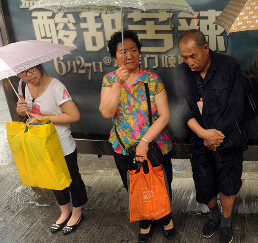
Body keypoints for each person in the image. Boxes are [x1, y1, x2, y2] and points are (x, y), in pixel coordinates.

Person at [99, 30, 175, 243]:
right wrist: (117, 84)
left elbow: (165, 115)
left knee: (162, 183)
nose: (129, 55)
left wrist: (144, 142)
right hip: (123, 147)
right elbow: (106, 112)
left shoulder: (152, 79)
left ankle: (166, 218)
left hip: (155, 145)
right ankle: (145, 222)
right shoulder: (109, 80)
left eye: (133, 50)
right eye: (123, 51)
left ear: (139, 53)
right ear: (115, 57)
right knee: (134, 186)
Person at [176, 29, 247, 243]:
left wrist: (216, 136)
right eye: (184, 57)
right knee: (204, 182)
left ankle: (226, 220)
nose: (189, 62)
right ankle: (213, 214)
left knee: (228, 182)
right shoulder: (182, 73)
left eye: (193, 56)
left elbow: (237, 106)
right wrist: (204, 134)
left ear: (205, 48)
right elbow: (183, 108)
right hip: (199, 140)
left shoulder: (229, 66)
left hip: (229, 139)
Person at [15, 64, 87, 235]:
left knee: (71, 177)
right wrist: (20, 109)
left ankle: (77, 211)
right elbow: (27, 113)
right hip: (41, 142)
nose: (28, 75)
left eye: (31, 70)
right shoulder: (22, 85)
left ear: (39, 66)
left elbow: (74, 115)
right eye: (23, 72)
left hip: (61, 143)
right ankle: (64, 210)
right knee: (52, 177)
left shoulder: (56, 87)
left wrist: (42, 118)